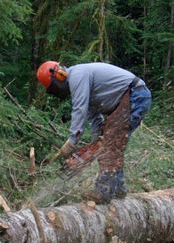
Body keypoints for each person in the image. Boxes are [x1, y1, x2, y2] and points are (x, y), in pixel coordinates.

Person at [36, 61, 152, 203]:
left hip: (135, 95)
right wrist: (96, 143)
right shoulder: (82, 83)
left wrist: (72, 141)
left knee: (111, 144)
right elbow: (95, 119)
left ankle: (104, 191)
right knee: (109, 143)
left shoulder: (77, 76)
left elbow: (80, 109)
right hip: (128, 99)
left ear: (59, 75)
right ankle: (118, 189)